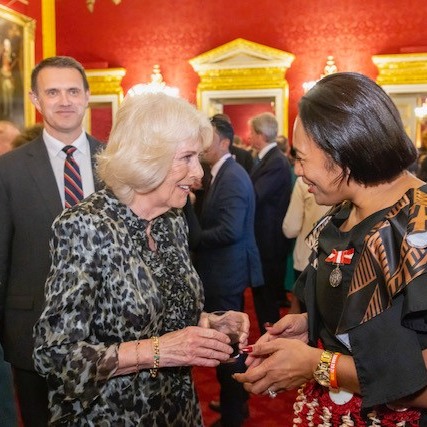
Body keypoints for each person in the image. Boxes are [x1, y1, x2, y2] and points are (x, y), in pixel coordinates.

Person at [33, 92, 250, 426]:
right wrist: (159, 351)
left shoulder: (171, 220)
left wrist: (207, 323)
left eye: (198, 158)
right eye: (187, 157)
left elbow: (161, 315)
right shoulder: (86, 225)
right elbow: (56, 356)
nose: (199, 173)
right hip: (111, 415)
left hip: (179, 411)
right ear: (148, 158)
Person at [234, 72, 427, 425]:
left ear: (342, 151)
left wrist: (318, 364)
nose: (297, 170)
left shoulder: (419, 227)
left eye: (301, 157)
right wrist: (314, 324)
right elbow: (377, 318)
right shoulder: (343, 213)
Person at [0, 55, 104, 427]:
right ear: (35, 99)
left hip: (110, 332)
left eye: (73, 91)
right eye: (53, 92)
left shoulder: (117, 163)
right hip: (32, 333)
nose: (65, 101)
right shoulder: (7, 170)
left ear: (87, 96)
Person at [195, 115, 263, 426]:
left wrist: (194, 237)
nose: (202, 146)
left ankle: (234, 414)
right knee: (228, 347)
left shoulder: (233, 177)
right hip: (222, 271)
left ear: (224, 142)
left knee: (229, 349)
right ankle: (234, 403)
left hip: (227, 274)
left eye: (207, 139)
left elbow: (230, 230)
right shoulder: (220, 173)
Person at [249, 112, 293, 333]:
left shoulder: (275, 161)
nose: (249, 137)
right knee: (263, 293)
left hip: (269, 240)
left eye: (252, 132)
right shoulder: (268, 159)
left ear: (261, 135)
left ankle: (271, 338)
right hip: (265, 238)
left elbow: (256, 195)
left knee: (267, 295)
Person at [282, 176, 332, 312]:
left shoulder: (304, 182)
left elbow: (290, 229)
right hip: (340, 263)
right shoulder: (353, 181)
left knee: (307, 315)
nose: (297, 170)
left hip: (306, 260)